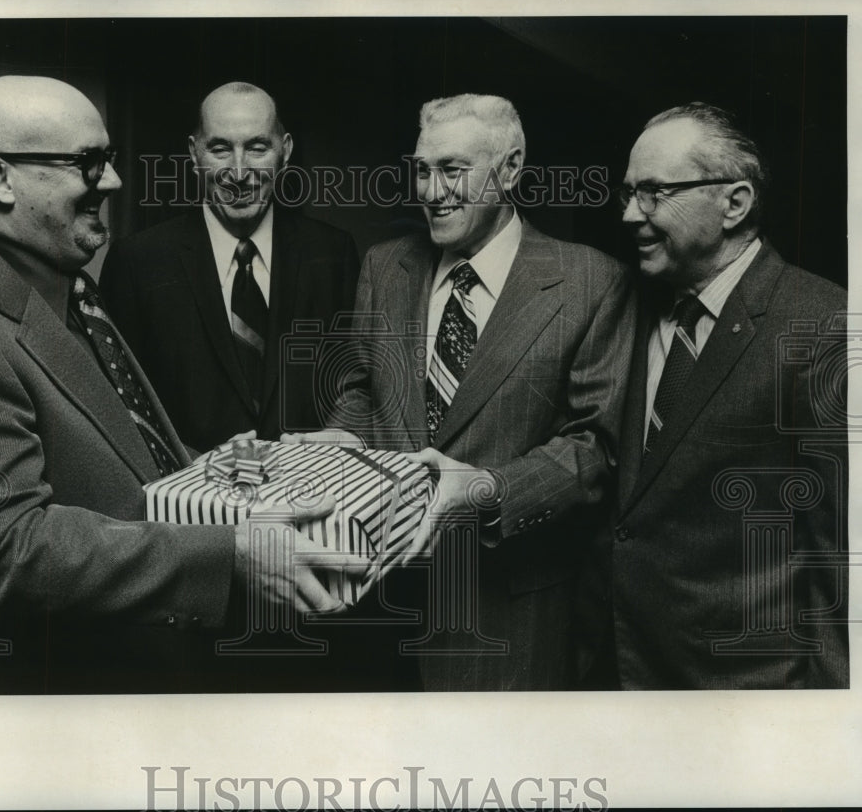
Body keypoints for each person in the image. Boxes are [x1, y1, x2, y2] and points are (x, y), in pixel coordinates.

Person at [0, 75, 350, 695]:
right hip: (60, 700)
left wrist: (206, 467)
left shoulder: (71, 292)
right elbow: (1, 550)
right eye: (88, 163)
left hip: (147, 664)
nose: (112, 182)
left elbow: (123, 455)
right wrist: (228, 551)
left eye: (107, 159)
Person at [288, 94, 636, 690]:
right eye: (421, 170)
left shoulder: (591, 282)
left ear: (510, 169)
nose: (430, 191)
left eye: (452, 170)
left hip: (506, 615)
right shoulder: (384, 264)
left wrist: (484, 489)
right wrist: (341, 435)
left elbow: (594, 447)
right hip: (378, 604)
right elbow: (366, 388)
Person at [606, 102, 848, 688]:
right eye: (627, 192)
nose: (629, 215)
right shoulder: (625, 308)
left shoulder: (823, 326)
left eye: (654, 193)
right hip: (622, 678)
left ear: (734, 204)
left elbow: (838, 556)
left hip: (749, 699)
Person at [99, 81, 360, 453]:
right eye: (220, 148)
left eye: (257, 147)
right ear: (194, 153)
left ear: (284, 152)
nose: (238, 173)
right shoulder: (137, 262)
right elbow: (119, 405)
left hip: (310, 493)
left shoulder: (334, 254)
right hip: (182, 503)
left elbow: (355, 382)